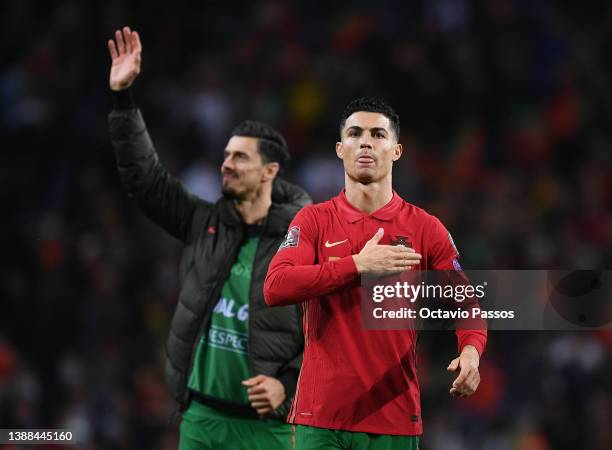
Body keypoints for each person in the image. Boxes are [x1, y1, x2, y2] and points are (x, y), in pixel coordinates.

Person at [107, 27, 310, 450]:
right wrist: (124, 101)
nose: (226, 164)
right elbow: (147, 183)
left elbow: (332, 335)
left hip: (269, 430)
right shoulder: (205, 223)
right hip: (201, 420)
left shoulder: (307, 240)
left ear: (270, 171)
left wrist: (287, 386)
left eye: (240, 157)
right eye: (225, 155)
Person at [264, 97, 487, 449]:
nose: (365, 141)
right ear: (340, 149)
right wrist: (356, 265)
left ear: (397, 150)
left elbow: (468, 303)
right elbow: (275, 287)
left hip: (393, 419)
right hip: (320, 419)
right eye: (355, 133)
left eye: (377, 134)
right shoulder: (314, 221)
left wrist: (471, 351)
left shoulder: (425, 228)